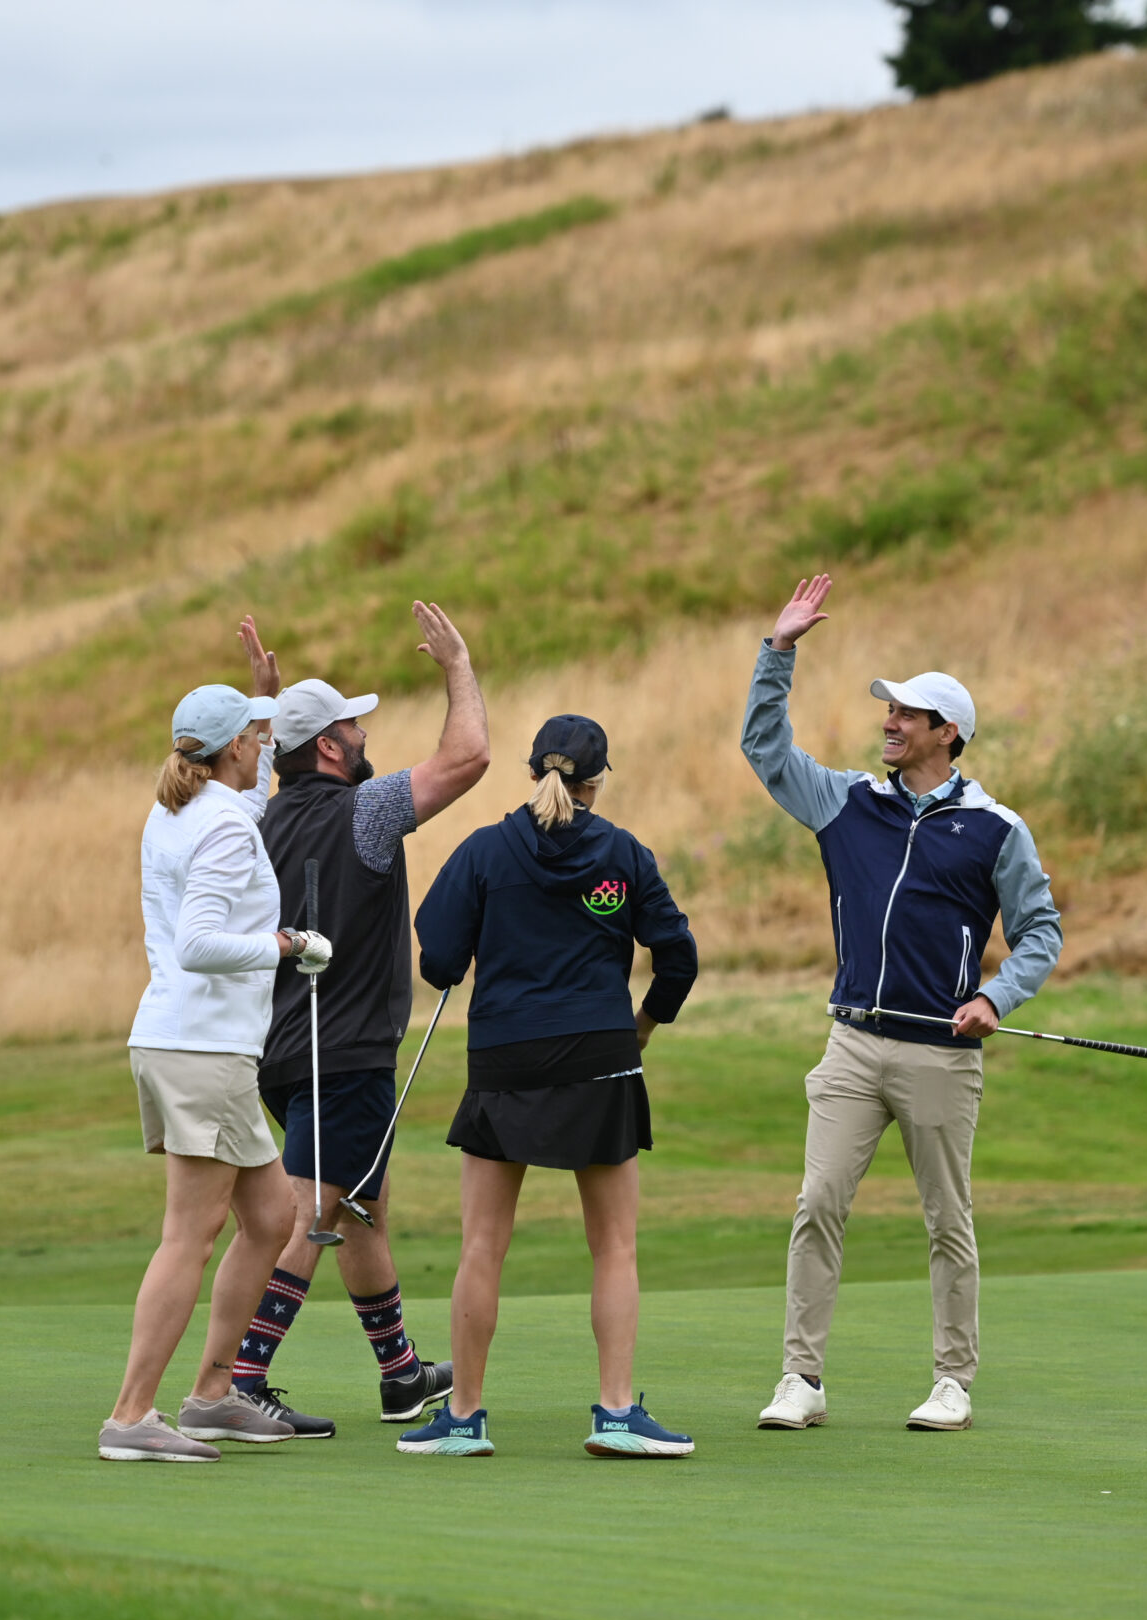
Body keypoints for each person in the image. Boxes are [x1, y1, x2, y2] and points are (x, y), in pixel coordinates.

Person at [740, 574, 1062, 1434]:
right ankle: (799, 1379)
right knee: (817, 1206)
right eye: (888, 711)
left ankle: (953, 1381)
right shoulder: (847, 802)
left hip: (940, 1056)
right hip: (851, 1045)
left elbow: (1039, 932)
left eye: (907, 715)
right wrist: (780, 652)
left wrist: (997, 996)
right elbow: (765, 750)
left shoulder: (997, 827)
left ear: (947, 733)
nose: (889, 721)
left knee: (947, 1222)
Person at [398, 715, 700, 1459]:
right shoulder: (623, 854)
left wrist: (465, 955)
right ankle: (617, 1413)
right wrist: (644, 1027)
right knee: (615, 1247)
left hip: (505, 1059)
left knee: (481, 1246)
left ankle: (464, 1418)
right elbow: (678, 958)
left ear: (533, 771)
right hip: (601, 1057)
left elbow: (437, 958)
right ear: (597, 780)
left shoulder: (484, 851)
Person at [222, 603, 489, 1438]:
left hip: (282, 1048)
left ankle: (401, 1374)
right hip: (344, 1050)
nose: (363, 734)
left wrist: (264, 708)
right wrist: (458, 666)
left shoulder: (267, 814)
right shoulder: (365, 811)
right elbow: (469, 757)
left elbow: (271, 773)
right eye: (352, 726)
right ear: (331, 749)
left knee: (361, 1202)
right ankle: (242, 1376)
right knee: (317, 1209)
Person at [98, 683, 334, 1463]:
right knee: (189, 1238)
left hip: (181, 1042)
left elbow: (253, 800)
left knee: (271, 1219)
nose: (268, 746)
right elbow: (201, 943)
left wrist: (262, 692)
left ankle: (210, 1396)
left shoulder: (177, 808)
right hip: (203, 1050)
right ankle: (132, 1416)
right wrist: (288, 945)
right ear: (233, 746)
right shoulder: (225, 828)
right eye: (258, 736)